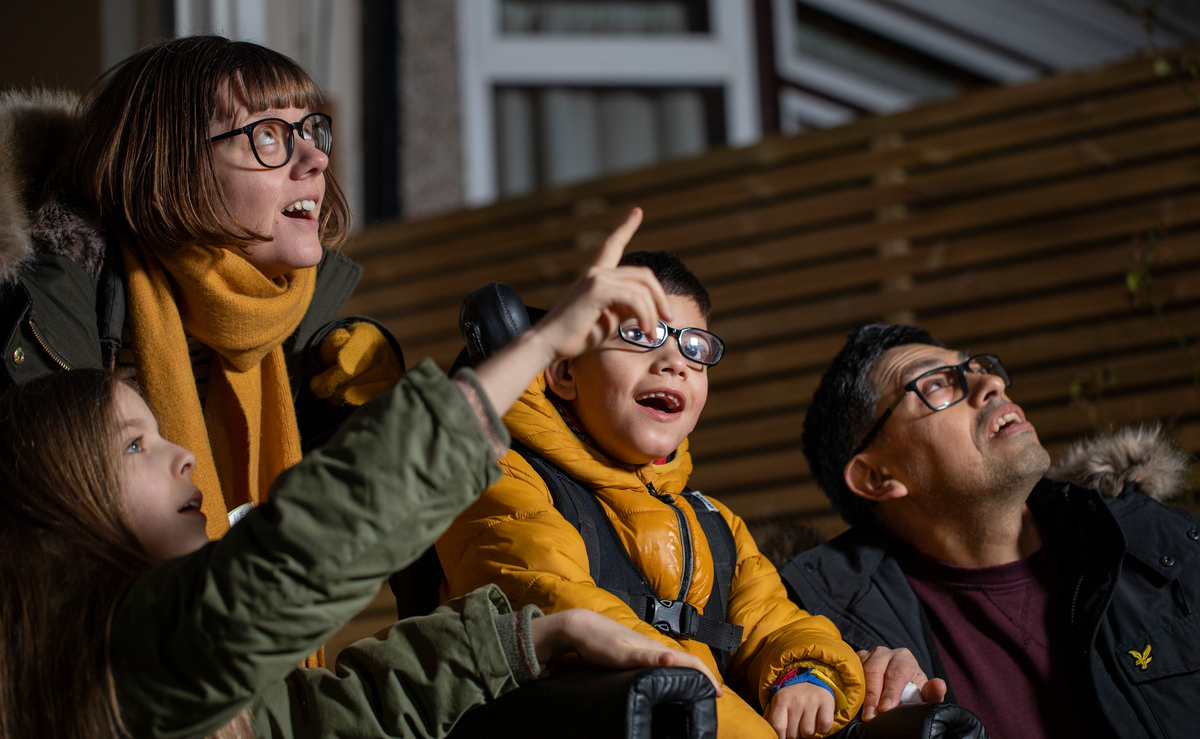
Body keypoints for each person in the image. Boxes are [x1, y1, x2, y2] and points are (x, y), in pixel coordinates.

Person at [0, 209, 724, 739]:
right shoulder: (116, 661)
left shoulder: (198, 695)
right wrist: (538, 344)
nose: (183, 455)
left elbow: (324, 717)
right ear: (60, 517)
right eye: (133, 446)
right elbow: (302, 554)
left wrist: (527, 642)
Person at [437, 251, 867, 739]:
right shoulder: (502, 478)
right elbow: (556, 602)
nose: (674, 363)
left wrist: (807, 674)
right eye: (639, 336)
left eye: (696, 348)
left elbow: (774, 621)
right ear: (564, 372)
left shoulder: (715, 523)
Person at [0, 36, 405, 545]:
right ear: (169, 167)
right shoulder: (37, 323)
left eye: (309, 130)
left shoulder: (313, 340)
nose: (315, 160)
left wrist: (358, 433)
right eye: (269, 136)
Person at [778, 323, 1200, 739]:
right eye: (937, 384)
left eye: (976, 367)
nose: (991, 383)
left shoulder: (1164, 549)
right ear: (877, 476)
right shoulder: (820, 643)